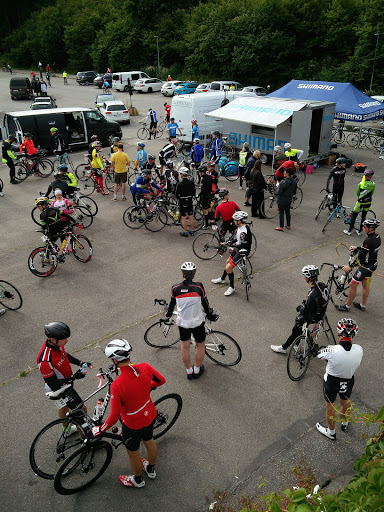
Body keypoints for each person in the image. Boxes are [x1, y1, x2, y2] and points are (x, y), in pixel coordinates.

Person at [92, 339, 165, 487]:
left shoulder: (117, 385)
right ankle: (150, 469)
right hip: (149, 414)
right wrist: (146, 388)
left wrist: (100, 429)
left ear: (114, 360)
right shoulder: (145, 367)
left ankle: (138, 480)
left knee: (134, 452)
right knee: (149, 441)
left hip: (133, 424)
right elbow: (161, 381)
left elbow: (113, 416)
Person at [165, 262, 218, 379]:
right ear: (194, 274)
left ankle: (189, 371)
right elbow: (205, 304)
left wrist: (168, 315)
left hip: (183, 323)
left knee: (185, 346)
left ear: (182, 274)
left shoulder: (175, 288)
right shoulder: (199, 287)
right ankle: (197, 369)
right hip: (197, 322)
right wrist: (209, 314)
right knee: (200, 345)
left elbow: (171, 305)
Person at [316, 318, 363, 440]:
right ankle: (345, 422)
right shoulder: (359, 349)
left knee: (330, 405)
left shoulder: (332, 349)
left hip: (332, 380)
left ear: (338, 332)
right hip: (348, 380)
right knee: (345, 401)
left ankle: (331, 432)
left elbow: (319, 354)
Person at [37, 322, 93, 422]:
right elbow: (53, 384)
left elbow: (64, 355)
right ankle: (85, 435)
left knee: (63, 407)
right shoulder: (45, 360)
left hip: (66, 382)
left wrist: (80, 363)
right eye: (63, 339)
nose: (66, 341)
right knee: (81, 412)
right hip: (59, 388)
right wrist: (74, 377)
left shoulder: (56, 345)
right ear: (53, 340)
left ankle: (66, 430)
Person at [270, 265, 328, 354]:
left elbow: (305, 312)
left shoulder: (311, 295)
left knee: (298, 325)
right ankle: (296, 343)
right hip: (321, 312)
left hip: (314, 316)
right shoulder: (322, 285)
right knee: (301, 323)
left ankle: (284, 347)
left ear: (307, 278)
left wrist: (300, 308)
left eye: (305, 276)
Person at [336, 219, 381, 312]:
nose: (363, 228)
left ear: (371, 228)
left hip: (365, 266)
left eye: (365, 227)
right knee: (365, 284)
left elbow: (360, 257)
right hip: (373, 265)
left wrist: (350, 266)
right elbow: (369, 249)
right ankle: (362, 305)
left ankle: (347, 306)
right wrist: (358, 247)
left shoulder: (368, 240)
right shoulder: (377, 237)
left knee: (353, 284)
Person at [211, 211, 252, 296]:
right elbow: (238, 240)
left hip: (242, 251)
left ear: (240, 221)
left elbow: (243, 245)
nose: (233, 221)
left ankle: (232, 287)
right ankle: (222, 279)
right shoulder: (241, 228)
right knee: (227, 262)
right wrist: (229, 242)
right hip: (238, 248)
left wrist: (230, 245)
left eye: (235, 220)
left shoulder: (244, 232)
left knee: (229, 267)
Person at [344, 169, 376, 236]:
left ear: (365, 176)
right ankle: (360, 231)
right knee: (363, 217)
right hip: (368, 203)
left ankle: (349, 231)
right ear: (371, 176)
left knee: (354, 217)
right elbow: (372, 193)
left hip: (360, 203)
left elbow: (357, 193)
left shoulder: (361, 184)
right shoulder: (373, 184)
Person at [275, 166, 297, 231]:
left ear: (288, 174)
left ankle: (281, 226)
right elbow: (294, 191)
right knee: (288, 212)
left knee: (281, 212)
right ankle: (288, 225)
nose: (283, 173)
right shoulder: (294, 182)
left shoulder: (283, 182)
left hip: (282, 199)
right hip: (289, 199)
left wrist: (276, 189)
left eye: (285, 172)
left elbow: (279, 191)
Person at [175, 167, 196, 237]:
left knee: (183, 217)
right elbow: (194, 193)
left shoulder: (179, 184)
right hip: (190, 200)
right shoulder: (191, 183)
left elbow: (176, 194)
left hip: (182, 201)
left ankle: (185, 231)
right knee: (190, 215)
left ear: (182, 174)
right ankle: (192, 230)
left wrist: (180, 198)